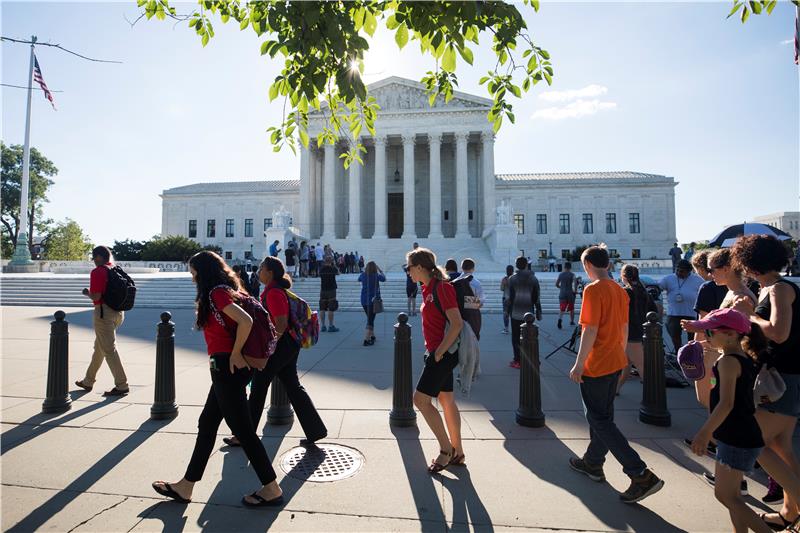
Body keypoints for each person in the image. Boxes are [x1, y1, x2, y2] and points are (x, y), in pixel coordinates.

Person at [152, 251, 283, 508]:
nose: (192, 278)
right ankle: (186, 485)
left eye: (193, 272)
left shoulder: (216, 293)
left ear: (203, 272)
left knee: (244, 432)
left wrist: (235, 353)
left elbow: (244, 321)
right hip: (225, 368)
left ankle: (272, 488)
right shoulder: (230, 290)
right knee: (208, 423)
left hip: (226, 367)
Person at [567, 246, 664, 504]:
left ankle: (639, 473)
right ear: (608, 264)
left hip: (597, 362)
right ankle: (593, 462)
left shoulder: (593, 289)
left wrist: (578, 364)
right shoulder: (620, 291)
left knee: (598, 419)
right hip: (614, 359)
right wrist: (620, 357)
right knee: (604, 415)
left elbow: (590, 330)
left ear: (588, 265)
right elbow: (623, 327)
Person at [732, 235, 800, 531]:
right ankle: (790, 511)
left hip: (780, 379)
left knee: (753, 441)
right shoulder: (771, 288)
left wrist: (749, 316)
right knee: (781, 446)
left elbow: (779, 332)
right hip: (784, 376)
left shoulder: (779, 289)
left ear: (750, 262)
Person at [223, 256, 327, 449]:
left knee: (259, 387)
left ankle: (244, 436)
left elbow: (281, 323)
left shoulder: (273, 293)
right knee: (292, 386)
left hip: (282, 345)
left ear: (269, 272)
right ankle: (316, 430)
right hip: (288, 344)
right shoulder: (274, 291)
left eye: (261, 268)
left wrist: (269, 346)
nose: (258, 271)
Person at [686, 309, 771, 533]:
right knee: (733, 496)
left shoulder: (728, 363)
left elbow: (726, 403)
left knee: (724, 495)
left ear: (732, 334)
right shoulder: (741, 357)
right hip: (741, 434)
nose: (707, 336)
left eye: (711, 332)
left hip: (736, 436)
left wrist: (704, 433)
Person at [406, 247, 465, 473]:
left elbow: (457, 323)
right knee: (447, 400)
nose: (408, 272)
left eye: (409, 268)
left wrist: (438, 352)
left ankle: (445, 450)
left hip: (442, 354)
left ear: (420, 267)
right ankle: (457, 450)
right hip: (438, 352)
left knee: (420, 401)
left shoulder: (443, 288)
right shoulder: (427, 288)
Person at [74, 246, 130, 396]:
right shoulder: (114, 268)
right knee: (100, 347)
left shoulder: (98, 272)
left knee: (109, 349)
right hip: (119, 313)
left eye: (94, 257)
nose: (93, 260)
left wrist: (87, 293)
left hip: (104, 313)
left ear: (99, 257)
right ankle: (88, 381)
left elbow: (97, 297)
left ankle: (122, 385)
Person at [616, 264, 657, 394]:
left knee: (640, 365)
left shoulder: (626, 291)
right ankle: (615, 389)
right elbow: (654, 310)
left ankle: (653, 395)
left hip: (630, 332)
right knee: (626, 365)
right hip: (640, 330)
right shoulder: (643, 291)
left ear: (624, 277)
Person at [659, 259, 704, 353]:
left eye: (682, 271)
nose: (679, 273)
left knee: (692, 338)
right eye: (677, 270)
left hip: (691, 314)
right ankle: (678, 353)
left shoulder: (698, 280)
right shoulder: (668, 278)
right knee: (675, 336)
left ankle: (691, 355)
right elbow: (658, 287)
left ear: (689, 271)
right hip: (674, 314)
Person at [508, 256, 543, 369]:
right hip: (529, 313)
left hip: (516, 312)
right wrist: (538, 311)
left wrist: (507, 311)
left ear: (516, 265)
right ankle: (532, 359)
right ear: (527, 265)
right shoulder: (533, 279)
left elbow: (510, 297)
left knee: (516, 337)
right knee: (530, 337)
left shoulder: (512, 279)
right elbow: (537, 296)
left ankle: (517, 360)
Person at [358, 261, 385, 346]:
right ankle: (366, 339)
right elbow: (384, 278)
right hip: (372, 301)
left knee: (370, 318)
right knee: (370, 320)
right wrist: (380, 270)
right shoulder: (376, 276)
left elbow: (358, 279)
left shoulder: (363, 275)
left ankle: (372, 336)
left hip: (363, 300)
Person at [319, 256, 340, 332]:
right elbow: (338, 272)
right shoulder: (332, 268)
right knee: (331, 308)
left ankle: (323, 326)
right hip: (331, 290)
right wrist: (333, 265)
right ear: (331, 261)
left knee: (322, 308)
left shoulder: (321, 269)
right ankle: (331, 326)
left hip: (323, 289)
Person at [556, 261, 577, 330]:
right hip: (570, 293)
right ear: (570, 267)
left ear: (564, 267)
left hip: (562, 293)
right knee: (571, 308)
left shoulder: (561, 274)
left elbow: (556, 284)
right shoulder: (572, 274)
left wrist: (561, 287)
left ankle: (560, 319)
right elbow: (575, 283)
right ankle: (571, 321)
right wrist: (575, 290)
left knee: (562, 308)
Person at [500, 265, 514, 334]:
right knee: (513, 314)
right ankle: (515, 328)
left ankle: (506, 328)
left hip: (506, 298)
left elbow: (502, 289)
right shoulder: (515, 278)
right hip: (514, 299)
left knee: (506, 314)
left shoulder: (504, 279)